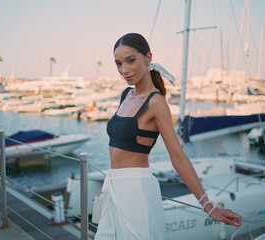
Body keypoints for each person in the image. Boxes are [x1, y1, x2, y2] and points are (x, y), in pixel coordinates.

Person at [94, 33, 242, 240]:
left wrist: (209, 207)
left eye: (130, 61)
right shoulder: (126, 95)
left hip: (136, 189)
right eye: (118, 64)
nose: (124, 70)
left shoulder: (156, 102)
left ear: (148, 58)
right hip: (112, 185)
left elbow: (178, 157)